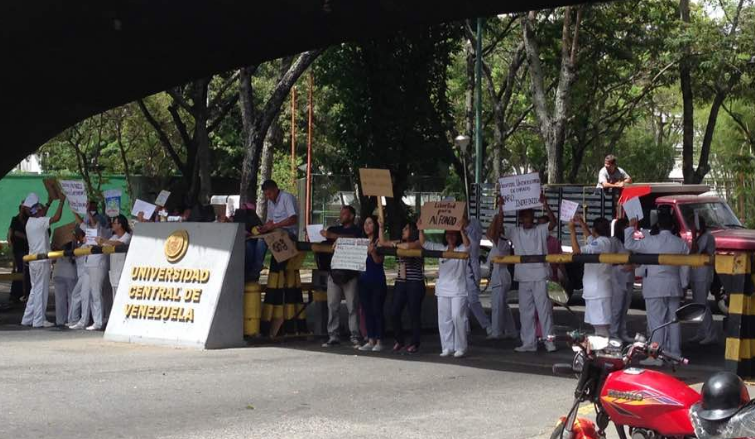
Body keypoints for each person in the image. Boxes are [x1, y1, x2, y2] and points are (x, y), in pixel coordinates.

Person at [624, 212, 689, 366]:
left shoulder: (650, 241)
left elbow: (629, 244)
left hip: (654, 286)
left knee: (656, 322)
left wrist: (630, 227)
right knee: (673, 321)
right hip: (674, 286)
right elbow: (685, 268)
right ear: (673, 225)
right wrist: (684, 284)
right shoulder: (680, 244)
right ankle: (674, 354)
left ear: (658, 225)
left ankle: (656, 355)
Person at [505, 193, 558, 353]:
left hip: (540, 275)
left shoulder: (541, 230)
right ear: (521, 219)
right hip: (523, 276)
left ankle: (550, 341)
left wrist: (546, 204)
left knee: (544, 310)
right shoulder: (514, 231)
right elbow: (496, 231)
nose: (528, 220)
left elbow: (553, 223)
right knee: (525, 311)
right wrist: (500, 208)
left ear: (533, 218)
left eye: (530, 217)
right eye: (525, 217)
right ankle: (529, 342)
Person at [421, 226, 471, 358]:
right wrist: (420, 229)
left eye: (453, 234)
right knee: (444, 320)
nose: (450, 237)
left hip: (458, 289)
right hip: (443, 289)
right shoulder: (441, 248)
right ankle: (447, 347)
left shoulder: (461, 249)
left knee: (457, 316)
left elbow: (468, 246)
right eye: (448, 234)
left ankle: (460, 347)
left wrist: (461, 230)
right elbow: (424, 244)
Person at [320, 205, 362, 348]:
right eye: (341, 213)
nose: (341, 215)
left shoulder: (357, 230)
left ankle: (355, 335)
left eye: (345, 213)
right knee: (332, 305)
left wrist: (333, 237)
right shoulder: (333, 229)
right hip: (334, 272)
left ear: (351, 216)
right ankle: (333, 335)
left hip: (350, 273)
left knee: (352, 306)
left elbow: (355, 238)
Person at [21, 195, 66, 328]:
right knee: (41, 290)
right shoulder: (39, 222)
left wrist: (50, 201)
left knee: (35, 289)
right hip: (41, 261)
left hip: (33, 261)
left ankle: (27, 318)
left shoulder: (30, 221)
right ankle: (39, 320)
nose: (42, 210)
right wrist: (62, 202)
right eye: (40, 208)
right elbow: (56, 218)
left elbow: (43, 214)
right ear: (37, 210)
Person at [379, 221, 424, 353]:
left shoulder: (417, 242)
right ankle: (399, 340)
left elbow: (411, 245)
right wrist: (381, 227)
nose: (403, 230)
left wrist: (397, 245)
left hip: (414, 282)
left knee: (414, 314)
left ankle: (415, 342)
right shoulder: (399, 242)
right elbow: (382, 242)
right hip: (401, 282)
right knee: (394, 312)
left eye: (406, 228)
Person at [569, 215, 613, 337]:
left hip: (598, 292)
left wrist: (572, 231)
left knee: (601, 329)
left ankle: (604, 353)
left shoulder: (602, 243)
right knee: (598, 328)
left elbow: (576, 252)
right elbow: (590, 239)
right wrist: (582, 225)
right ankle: (601, 352)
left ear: (595, 230)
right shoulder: (602, 242)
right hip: (596, 291)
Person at [71, 209, 111, 331]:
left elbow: (93, 223)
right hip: (89, 263)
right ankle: (83, 321)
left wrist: (88, 212)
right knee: (84, 294)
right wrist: (74, 211)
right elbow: (82, 223)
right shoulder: (90, 232)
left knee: (96, 293)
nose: (91, 222)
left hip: (98, 264)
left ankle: (98, 322)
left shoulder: (104, 231)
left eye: (94, 220)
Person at [486, 197, 518, 339]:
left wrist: (500, 210)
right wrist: (496, 215)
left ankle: (497, 331)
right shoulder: (498, 242)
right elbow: (489, 232)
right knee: (502, 305)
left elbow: (493, 231)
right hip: (500, 276)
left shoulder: (503, 242)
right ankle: (511, 331)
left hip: (501, 276)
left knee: (498, 306)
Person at [357, 215, 387, 352]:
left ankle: (380, 340)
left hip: (377, 280)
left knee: (377, 310)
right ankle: (370, 339)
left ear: (374, 225)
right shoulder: (361, 242)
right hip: (363, 281)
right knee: (367, 310)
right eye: (365, 223)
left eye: (369, 223)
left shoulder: (378, 241)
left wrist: (373, 252)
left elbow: (379, 261)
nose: (367, 226)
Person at [689, 216, 717, 345]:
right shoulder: (702, 236)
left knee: (702, 303)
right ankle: (702, 331)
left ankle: (710, 333)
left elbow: (695, 250)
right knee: (698, 304)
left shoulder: (707, 236)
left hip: (702, 275)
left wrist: (693, 236)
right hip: (696, 274)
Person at [464, 215, 492, 336]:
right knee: (460, 300)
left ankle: (487, 325)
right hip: (458, 268)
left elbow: (472, 245)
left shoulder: (474, 224)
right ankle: (464, 327)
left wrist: (464, 227)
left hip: (471, 268)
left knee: (472, 300)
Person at [609, 218, 635, 342]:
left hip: (629, 277)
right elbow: (610, 259)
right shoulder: (614, 241)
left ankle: (622, 332)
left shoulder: (630, 241)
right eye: (626, 227)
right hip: (618, 277)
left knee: (625, 307)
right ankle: (613, 333)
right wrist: (622, 263)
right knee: (617, 307)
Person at [96, 214, 132, 300]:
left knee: (122, 298)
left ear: (120, 225)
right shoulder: (114, 237)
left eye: (114, 223)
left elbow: (119, 244)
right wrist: (96, 241)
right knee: (115, 298)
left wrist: (104, 240)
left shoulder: (127, 236)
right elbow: (104, 244)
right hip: (114, 272)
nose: (112, 225)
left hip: (123, 271)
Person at [52, 238, 77, 327]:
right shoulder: (74, 250)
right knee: (71, 297)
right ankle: (71, 319)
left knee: (59, 299)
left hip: (57, 272)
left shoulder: (58, 250)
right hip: (70, 273)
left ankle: (60, 320)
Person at [8, 203, 30, 304]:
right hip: (18, 249)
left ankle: (23, 293)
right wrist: (10, 241)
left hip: (27, 249)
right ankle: (15, 294)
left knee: (25, 271)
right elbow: (12, 232)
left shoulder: (28, 219)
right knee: (21, 270)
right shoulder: (15, 219)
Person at [67, 228, 89, 327]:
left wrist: (74, 239)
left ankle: (76, 320)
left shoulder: (84, 246)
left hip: (85, 275)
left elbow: (73, 253)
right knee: (78, 296)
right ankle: (74, 319)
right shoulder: (81, 246)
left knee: (77, 296)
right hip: (82, 275)